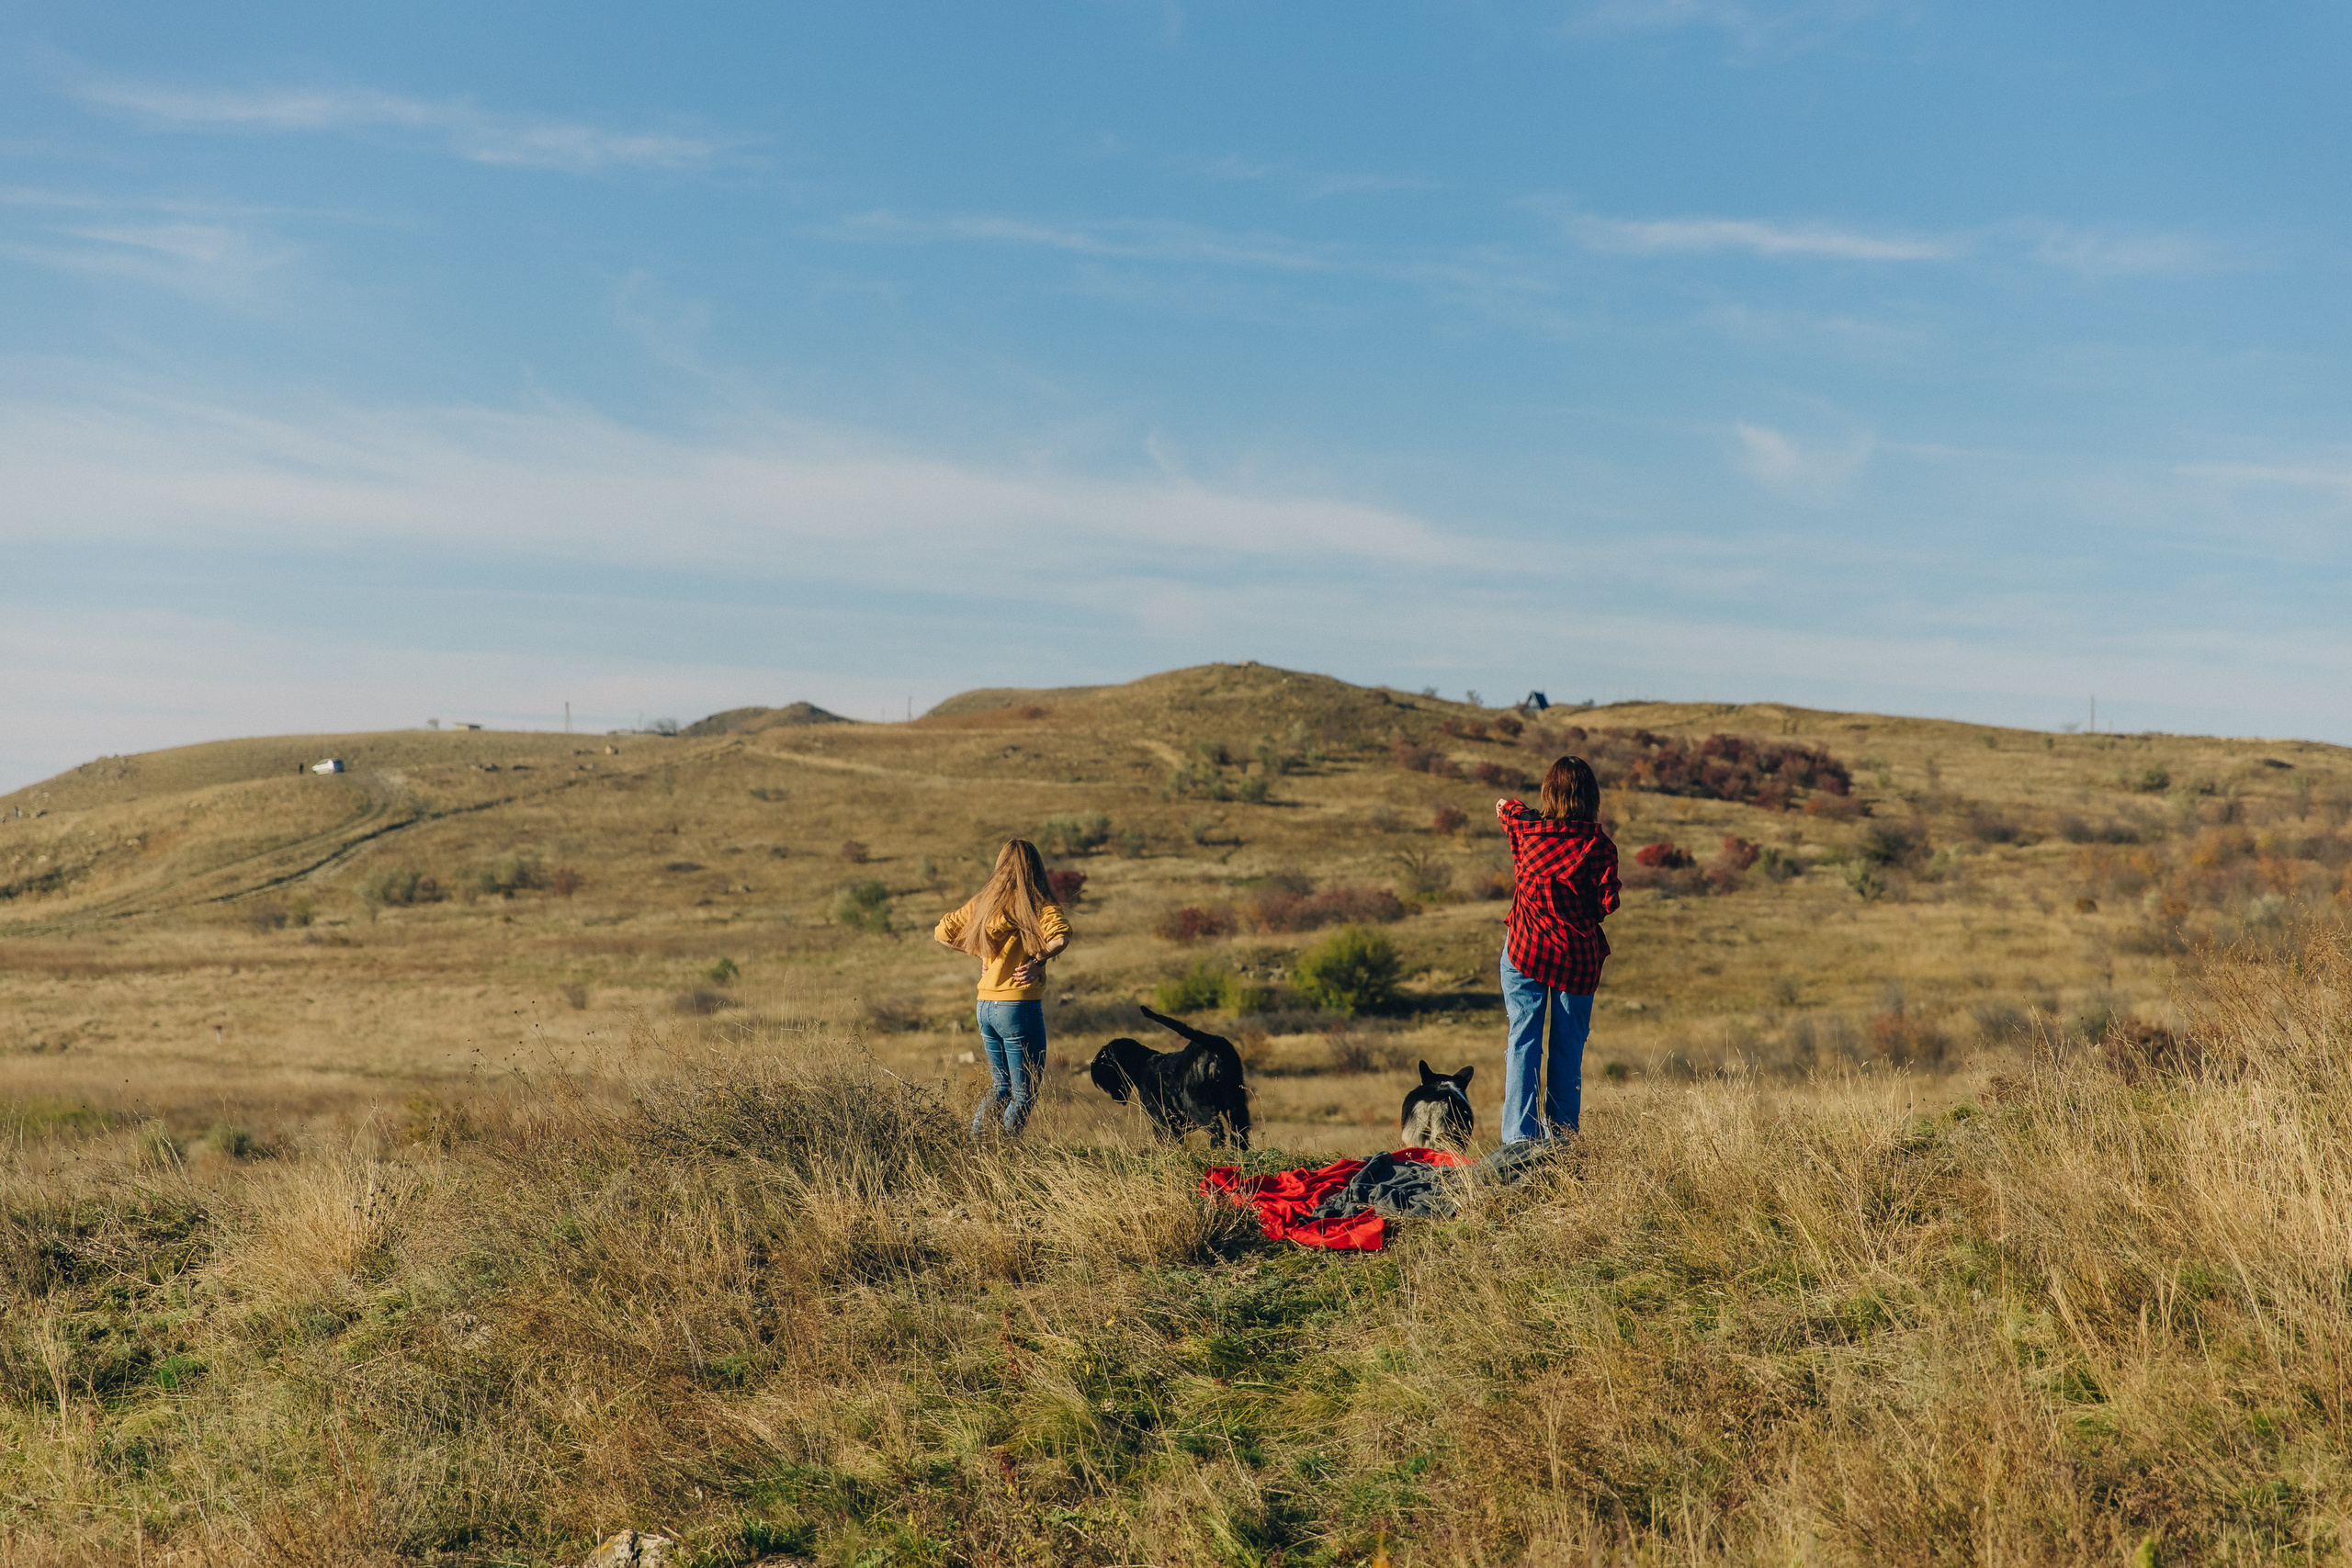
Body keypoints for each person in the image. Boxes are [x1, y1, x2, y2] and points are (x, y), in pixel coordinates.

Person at [1493, 756, 1621, 1142]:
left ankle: (1518, 1142)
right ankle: (1562, 1143)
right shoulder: (1598, 845)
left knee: (1523, 1042)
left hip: (1525, 952)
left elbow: (1505, 806)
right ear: (1591, 797)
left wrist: (1524, 809)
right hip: (1575, 961)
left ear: (1548, 792)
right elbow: (1606, 904)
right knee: (1567, 1053)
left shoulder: (1526, 829)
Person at [933, 839, 1072, 1136]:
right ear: (1035, 868)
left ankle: (976, 1147)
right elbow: (1060, 938)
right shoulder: (1037, 904)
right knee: (1025, 1094)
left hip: (985, 1006)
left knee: (1002, 1087)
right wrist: (1039, 960)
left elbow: (942, 934)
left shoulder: (984, 902)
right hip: (1017, 1007)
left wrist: (981, 953)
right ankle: (1005, 1154)